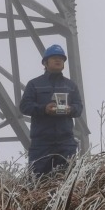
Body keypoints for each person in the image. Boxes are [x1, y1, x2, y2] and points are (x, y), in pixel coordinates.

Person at [19, 43, 83, 176]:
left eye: (61, 58)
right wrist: (44, 109)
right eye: (54, 58)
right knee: (37, 181)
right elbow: (24, 106)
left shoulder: (71, 86)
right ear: (45, 63)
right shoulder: (34, 84)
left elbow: (79, 108)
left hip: (66, 143)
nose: (58, 60)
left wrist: (70, 109)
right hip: (41, 143)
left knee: (67, 180)